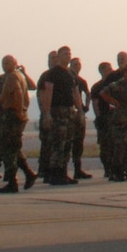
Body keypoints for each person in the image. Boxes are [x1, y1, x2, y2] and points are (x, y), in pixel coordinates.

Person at [36, 48, 79, 185]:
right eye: (65, 54)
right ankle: (54, 174)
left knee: (67, 143)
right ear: (59, 56)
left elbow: (75, 92)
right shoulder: (52, 74)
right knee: (58, 143)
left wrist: (80, 111)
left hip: (69, 111)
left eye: (69, 54)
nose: (68, 56)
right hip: (57, 111)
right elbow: (47, 92)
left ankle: (63, 173)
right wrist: (46, 113)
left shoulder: (71, 74)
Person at [0, 54, 32, 194]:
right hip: (16, 115)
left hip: (12, 116)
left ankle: (12, 182)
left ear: (15, 63)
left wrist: (18, 111)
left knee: (8, 150)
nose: (5, 65)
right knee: (14, 148)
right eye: (3, 63)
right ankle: (28, 173)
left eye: (8, 62)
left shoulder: (12, 77)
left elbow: (17, 93)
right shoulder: (18, 76)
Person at [88, 61, 119, 180]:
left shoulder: (115, 84)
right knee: (105, 145)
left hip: (115, 116)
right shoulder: (97, 87)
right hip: (104, 117)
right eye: (108, 69)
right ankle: (107, 168)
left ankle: (116, 168)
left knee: (115, 144)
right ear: (103, 71)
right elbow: (95, 103)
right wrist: (99, 117)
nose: (111, 71)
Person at [67, 56, 92, 181]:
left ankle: (78, 169)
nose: (77, 67)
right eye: (74, 64)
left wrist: (86, 106)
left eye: (78, 65)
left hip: (79, 113)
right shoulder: (67, 78)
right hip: (68, 112)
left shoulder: (81, 81)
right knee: (66, 142)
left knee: (78, 143)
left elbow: (88, 94)